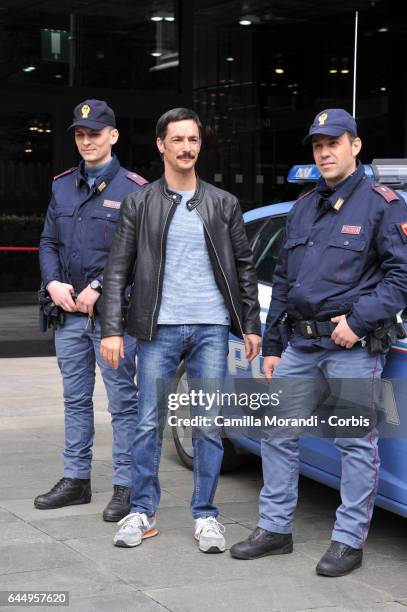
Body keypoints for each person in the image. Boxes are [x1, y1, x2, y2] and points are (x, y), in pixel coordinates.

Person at [230, 109, 407, 576]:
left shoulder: (383, 204)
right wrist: (271, 347)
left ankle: (348, 540)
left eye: (334, 142)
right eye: (317, 145)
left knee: (353, 441)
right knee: (277, 433)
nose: (325, 151)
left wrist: (361, 320)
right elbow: (284, 283)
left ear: (356, 145)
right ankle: (275, 529)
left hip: (352, 346)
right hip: (301, 346)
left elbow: (401, 276)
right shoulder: (304, 207)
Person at [100, 107, 261, 552]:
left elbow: (244, 267)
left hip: (211, 328)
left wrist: (250, 323)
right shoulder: (140, 202)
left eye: (193, 139)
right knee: (148, 422)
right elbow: (117, 271)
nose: (187, 147)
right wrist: (112, 329)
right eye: (178, 140)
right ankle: (142, 511)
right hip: (157, 329)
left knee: (208, 425)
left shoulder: (223, 203)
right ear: (161, 145)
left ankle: (206, 516)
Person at [35, 99, 147, 522]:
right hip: (68, 315)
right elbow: (48, 241)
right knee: (75, 400)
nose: (87, 142)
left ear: (112, 137)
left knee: (122, 403)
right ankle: (76, 480)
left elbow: (142, 255)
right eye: (80, 135)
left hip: (114, 318)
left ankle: (126, 486)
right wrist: (53, 283)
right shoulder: (62, 185)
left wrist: (100, 287)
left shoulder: (135, 190)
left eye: (94, 134)